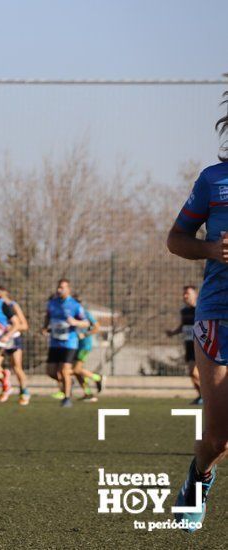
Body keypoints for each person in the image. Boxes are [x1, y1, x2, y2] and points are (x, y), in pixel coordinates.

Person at [166, 94, 228, 532]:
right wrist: (209, 249)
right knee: (218, 438)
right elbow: (176, 238)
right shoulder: (214, 180)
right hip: (219, 314)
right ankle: (200, 475)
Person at [42, 279, 89, 408]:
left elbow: (86, 323)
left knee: (64, 370)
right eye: (58, 287)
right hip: (54, 342)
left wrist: (75, 322)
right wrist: (45, 327)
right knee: (51, 372)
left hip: (69, 342)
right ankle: (68, 382)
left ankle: (67, 398)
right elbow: (48, 316)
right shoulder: (52, 303)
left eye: (62, 287)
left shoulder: (75, 305)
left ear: (68, 289)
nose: (59, 290)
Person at [166, 286, 202, 405]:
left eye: (188, 293)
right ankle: (202, 396)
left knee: (196, 372)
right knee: (192, 373)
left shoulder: (201, 309)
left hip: (201, 345)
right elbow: (183, 326)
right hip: (188, 345)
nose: (185, 296)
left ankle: (207, 397)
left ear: (195, 295)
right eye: (184, 294)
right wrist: (173, 332)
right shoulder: (184, 311)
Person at [0, 286, 31, 405]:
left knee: (17, 367)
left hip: (13, 339)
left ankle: (24, 392)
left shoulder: (13, 306)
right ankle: (6, 384)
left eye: (1, 296)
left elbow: (24, 325)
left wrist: (11, 328)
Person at [72, 294, 103, 402]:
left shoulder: (85, 313)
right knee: (76, 372)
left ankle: (97, 377)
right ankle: (88, 393)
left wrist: (85, 335)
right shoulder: (71, 315)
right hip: (74, 345)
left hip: (85, 346)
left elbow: (97, 327)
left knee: (76, 369)